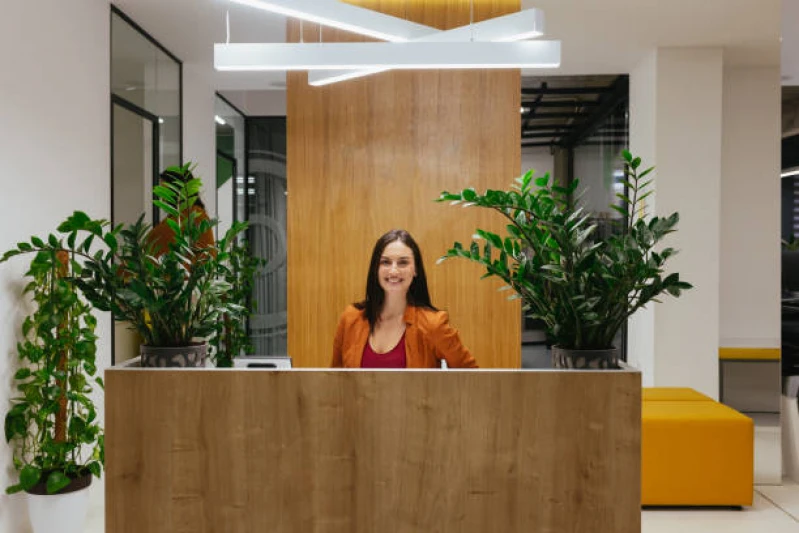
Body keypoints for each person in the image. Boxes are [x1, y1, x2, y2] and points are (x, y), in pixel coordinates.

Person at [331, 229, 478, 369]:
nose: (393, 271)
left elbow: (473, 377)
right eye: (386, 262)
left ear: (415, 270)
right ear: (376, 268)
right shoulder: (350, 319)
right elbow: (334, 380)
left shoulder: (433, 325)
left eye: (403, 262)